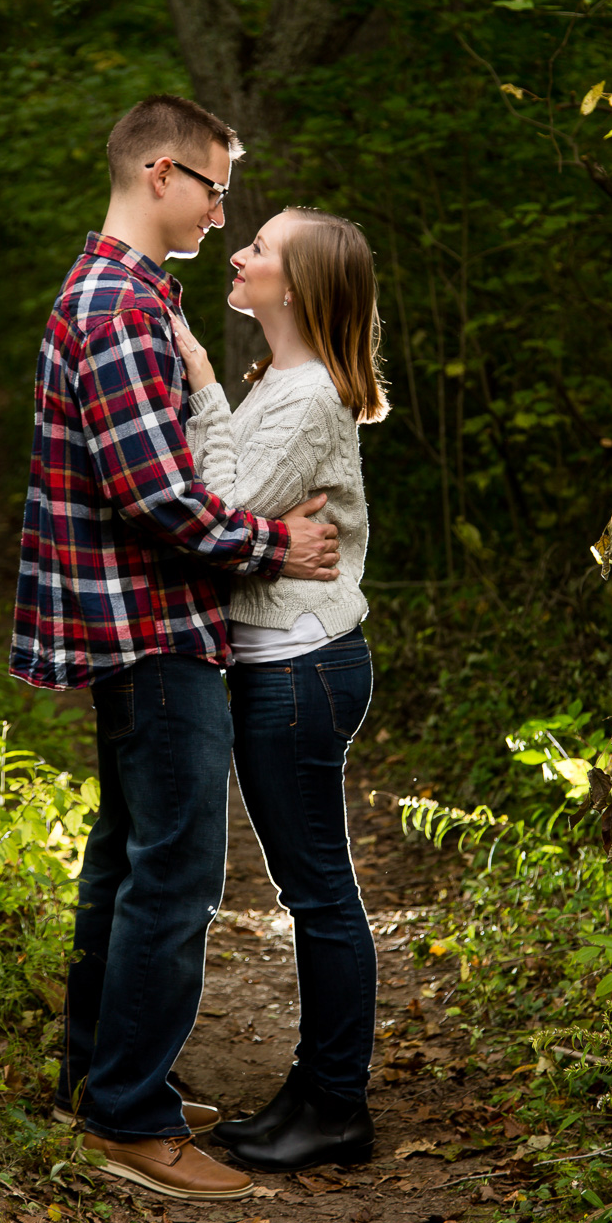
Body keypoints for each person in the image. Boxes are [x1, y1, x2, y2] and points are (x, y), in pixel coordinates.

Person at [9, 96, 342, 1202]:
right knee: (176, 874)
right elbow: (156, 497)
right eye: (211, 185)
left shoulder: (137, 297)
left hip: (150, 622)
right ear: (161, 174)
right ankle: (127, 1118)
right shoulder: (113, 304)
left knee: (128, 853)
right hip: (152, 628)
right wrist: (272, 543)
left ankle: (99, 1076)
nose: (220, 206)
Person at [170, 206, 388, 1171]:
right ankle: (316, 1087)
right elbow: (231, 504)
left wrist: (206, 385)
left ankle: (336, 1105)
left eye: (257, 247)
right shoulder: (287, 382)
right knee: (313, 889)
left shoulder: (300, 399)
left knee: (319, 893)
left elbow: (219, 515)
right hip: (287, 662)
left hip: (299, 669)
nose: (238, 253)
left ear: (293, 286)